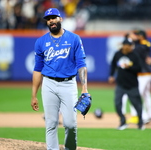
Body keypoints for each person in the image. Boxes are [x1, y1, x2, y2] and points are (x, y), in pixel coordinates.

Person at [31, 8, 90, 150]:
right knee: (51, 124)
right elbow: (37, 70)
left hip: (68, 84)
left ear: (60, 19)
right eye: (48, 18)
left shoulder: (74, 39)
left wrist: (84, 88)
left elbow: (81, 64)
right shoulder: (41, 42)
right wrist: (34, 95)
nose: (51, 20)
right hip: (48, 84)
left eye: (54, 17)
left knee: (70, 124)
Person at [108, 38, 144, 130]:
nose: (129, 47)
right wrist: (111, 75)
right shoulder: (118, 54)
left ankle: (140, 122)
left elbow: (139, 68)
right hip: (120, 84)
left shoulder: (134, 55)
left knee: (137, 104)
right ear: (124, 46)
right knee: (117, 103)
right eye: (127, 46)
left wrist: (129, 67)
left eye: (130, 46)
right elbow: (113, 65)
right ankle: (123, 121)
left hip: (132, 85)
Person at [122, 30, 151, 124]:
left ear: (141, 36)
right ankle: (150, 114)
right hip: (147, 74)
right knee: (146, 95)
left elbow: (138, 46)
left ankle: (140, 116)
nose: (135, 36)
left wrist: (131, 39)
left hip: (143, 74)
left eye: (137, 35)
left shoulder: (142, 46)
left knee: (135, 95)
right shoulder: (141, 45)